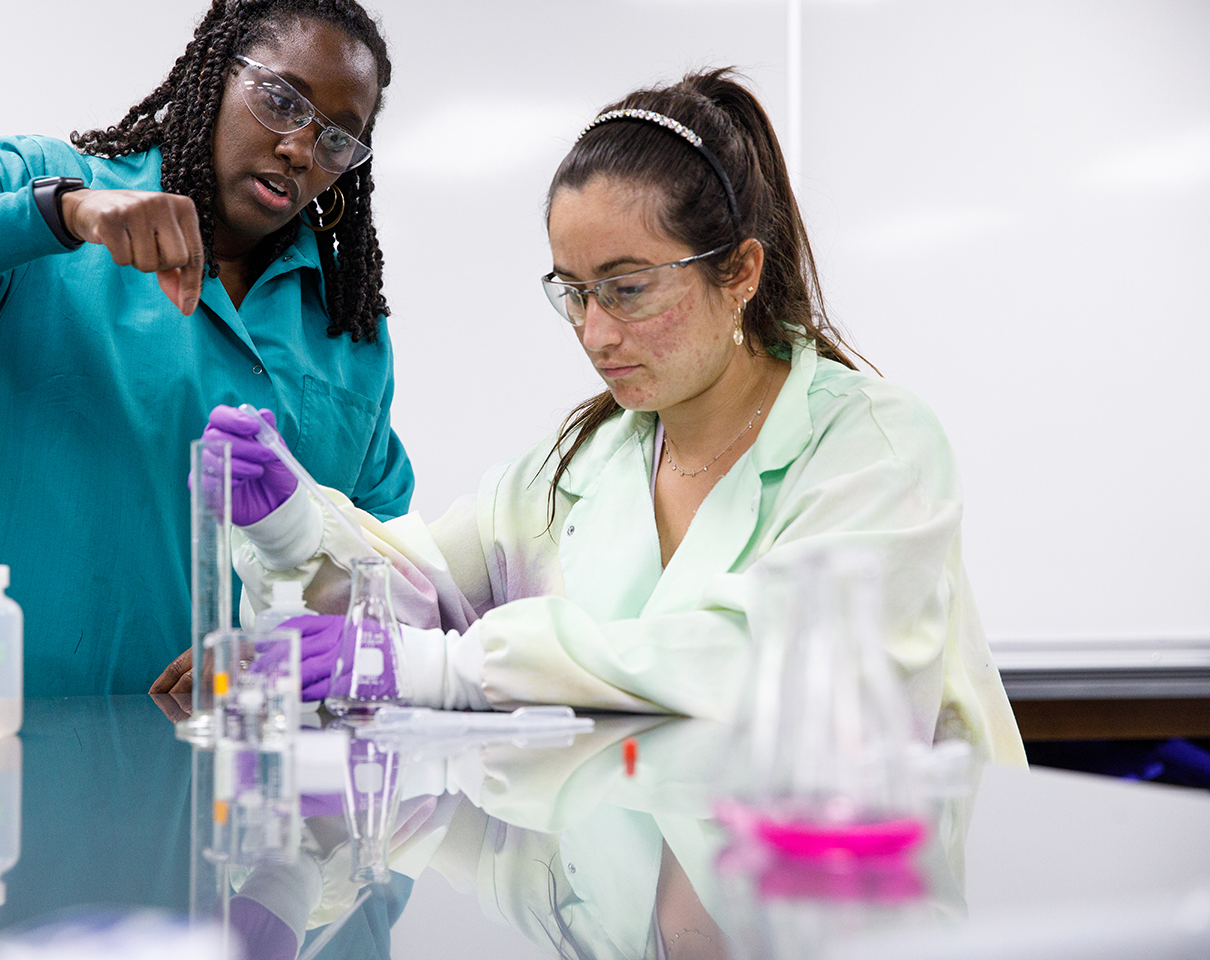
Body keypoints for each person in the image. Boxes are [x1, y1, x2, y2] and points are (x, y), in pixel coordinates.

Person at [168, 68, 1025, 765]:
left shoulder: (873, 446)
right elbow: (415, 602)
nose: (595, 333)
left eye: (627, 288)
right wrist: (295, 527)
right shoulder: (583, 464)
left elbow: (773, 671)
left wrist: (458, 669)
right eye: (573, 292)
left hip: (841, 890)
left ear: (740, 272)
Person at [0, 0, 413, 700]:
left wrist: (298, 642)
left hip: (217, 754)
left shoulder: (349, 326)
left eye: (336, 138)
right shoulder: (55, 192)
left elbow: (382, 553)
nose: (299, 148)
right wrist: (54, 215)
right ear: (216, 77)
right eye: (281, 100)